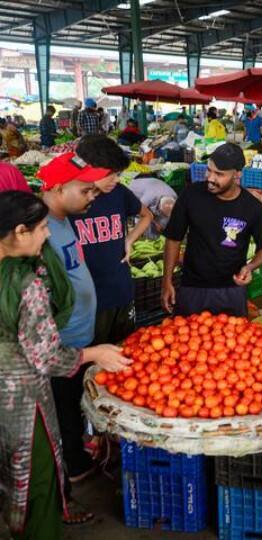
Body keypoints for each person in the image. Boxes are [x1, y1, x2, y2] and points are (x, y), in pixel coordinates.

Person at [0, 191, 130, 540]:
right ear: (19, 232)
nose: (47, 235)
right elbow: (47, 357)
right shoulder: (26, 285)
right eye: (42, 228)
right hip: (21, 401)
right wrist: (94, 354)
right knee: (35, 479)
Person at [36, 150, 114, 509]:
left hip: (79, 337)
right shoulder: (36, 232)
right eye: (86, 190)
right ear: (57, 187)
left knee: (74, 404)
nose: (93, 196)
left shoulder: (64, 218)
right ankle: (72, 468)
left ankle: (77, 453)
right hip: (59, 347)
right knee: (62, 408)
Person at [161, 143, 262, 317]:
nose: (210, 178)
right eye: (209, 170)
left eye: (219, 174)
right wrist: (166, 280)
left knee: (231, 341)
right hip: (192, 288)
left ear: (237, 175)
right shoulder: (191, 195)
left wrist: (250, 267)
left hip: (231, 291)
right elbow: (173, 238)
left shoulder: (253, 208)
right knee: (187, 339)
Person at [70, 136, 152, 344]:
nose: (116, 180)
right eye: (111, 175)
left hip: (121, 290)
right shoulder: (71, 201)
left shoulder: (119, 194)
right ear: (90, 168)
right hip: (87, 299)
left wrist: (130, 239)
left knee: (124, 348)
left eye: (118, 174)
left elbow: (147, 215)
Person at [129, 173, 177, 239]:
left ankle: (157, 238)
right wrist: (154, 222)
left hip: (154, 184)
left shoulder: (174, 197)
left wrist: (161, 225)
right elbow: (139, 213)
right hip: (136, 190)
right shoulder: (148, 197)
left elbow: (169, 217)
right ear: (159, 206)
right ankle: (146, 238)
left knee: (161, 225)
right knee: (144, 226)